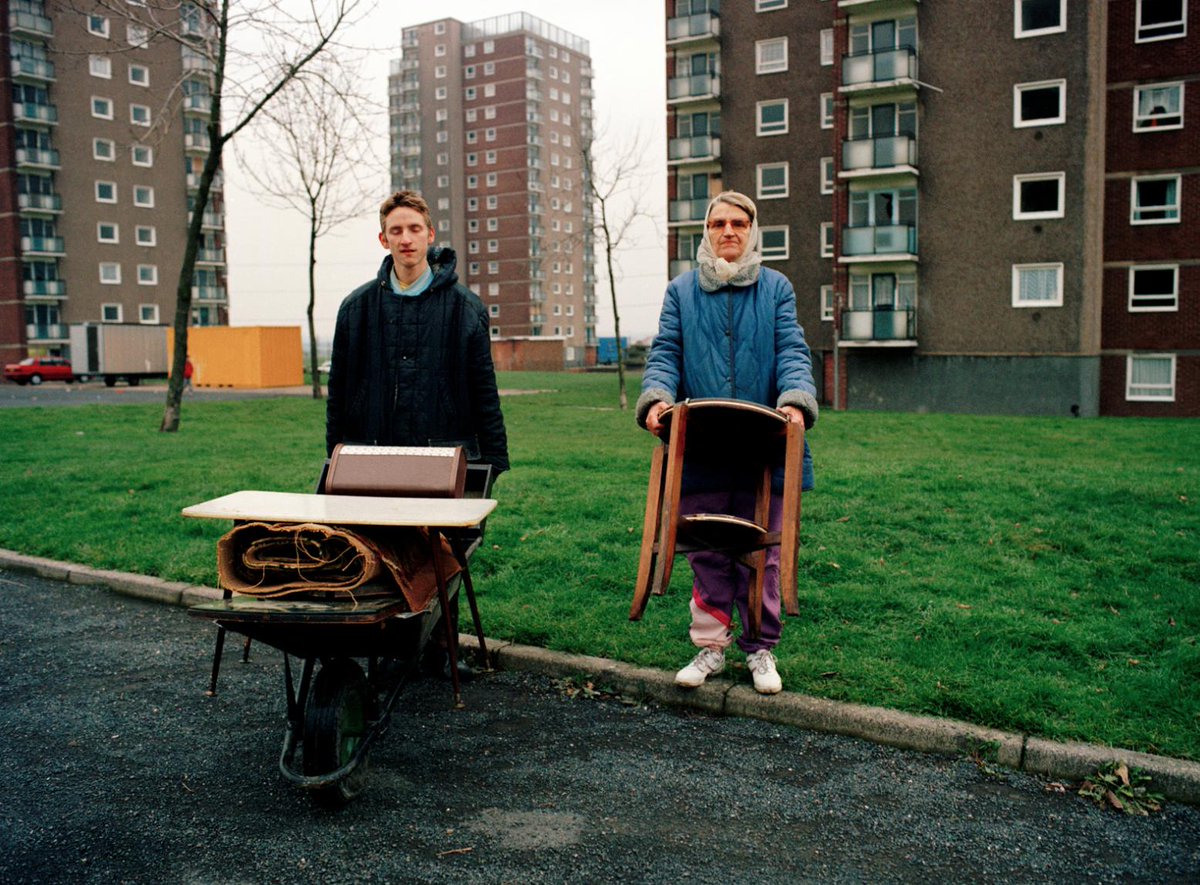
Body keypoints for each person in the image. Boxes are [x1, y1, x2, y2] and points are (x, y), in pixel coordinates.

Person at [636, 191, 818, 695]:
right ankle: (711, 645)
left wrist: (797, 400)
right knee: (708, 547)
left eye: (739, 223)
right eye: (718, 223)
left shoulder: (776, 287)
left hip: (765, 448)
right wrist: (656, 399)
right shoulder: (682, 291)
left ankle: (761, 649)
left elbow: (791, 350)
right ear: (706, 230)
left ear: (752, 229)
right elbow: (666, 352)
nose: (728, 231)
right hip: (705, 448)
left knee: (765, 551)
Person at [326, 190, 509, 674]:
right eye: (396, 231)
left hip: (443, 455)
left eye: (414, 229)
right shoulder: (356, 309)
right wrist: (335, 458)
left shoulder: (464, 308)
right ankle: (379, 639)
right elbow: (340, 392)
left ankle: (440, 648)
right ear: (382, 239)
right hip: (373, 455)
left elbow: (483, 391)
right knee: (378, 549)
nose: (406, 239)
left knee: (442, 551)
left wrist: (493, 458)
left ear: (430, 235)